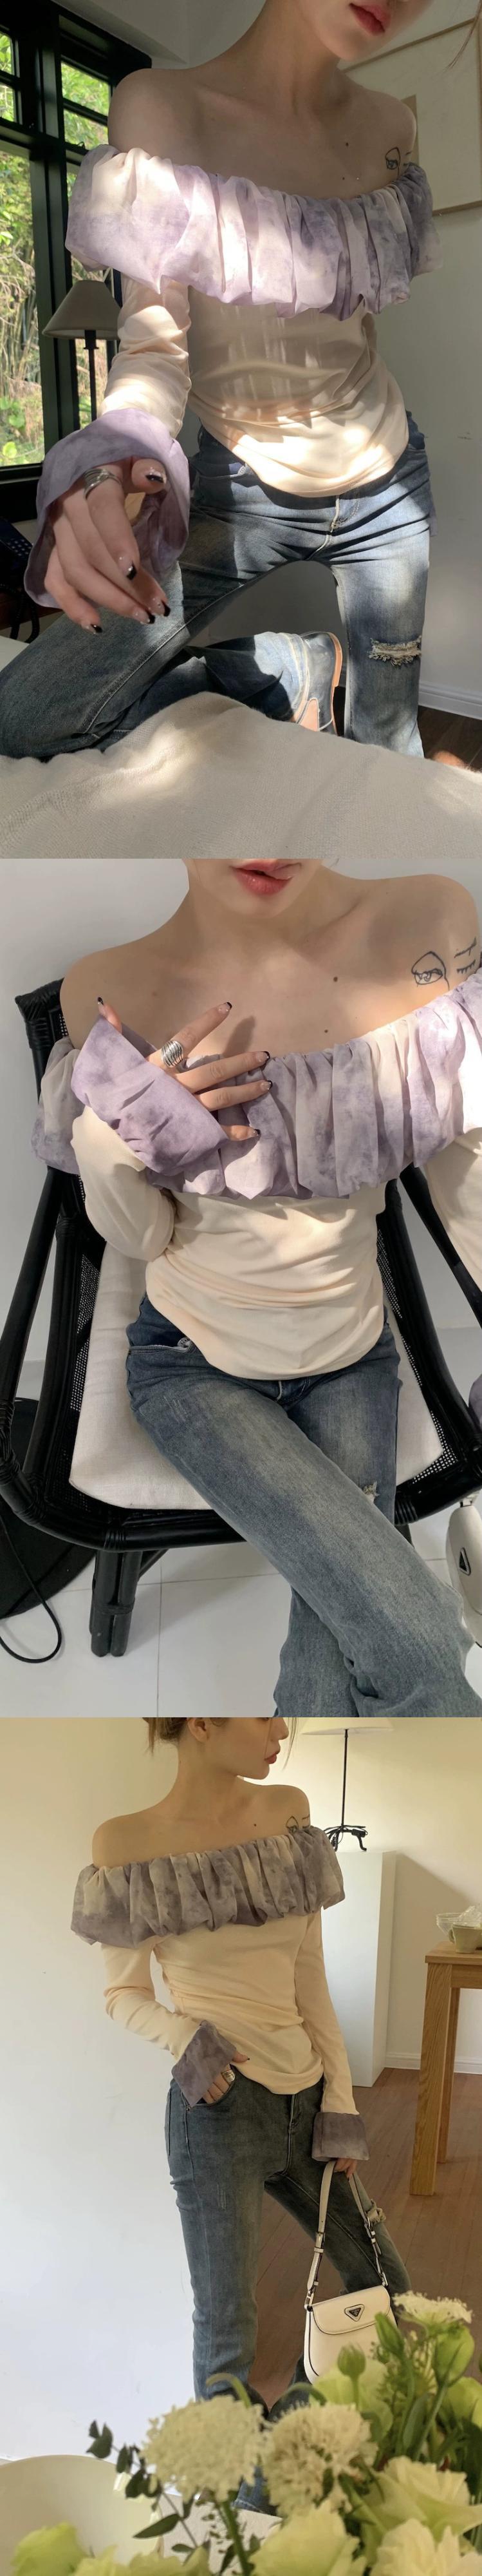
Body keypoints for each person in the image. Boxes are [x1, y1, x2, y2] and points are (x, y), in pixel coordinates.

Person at [34, 858, 482, 1717]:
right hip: (192, 1366)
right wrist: (113, 1142)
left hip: (352, 1358)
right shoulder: (110, 987)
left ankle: (298, 1790)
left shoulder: (425, 925)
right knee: (426, 1641)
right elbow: (141, 1238)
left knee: (352, 1628)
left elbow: (468, 1176)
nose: (264, 842)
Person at [2, 0, 456, 765]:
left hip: (387, 484)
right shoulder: (159, 107)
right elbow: (153, 344)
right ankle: (289, 670)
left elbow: (354, 322)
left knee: (388, 745)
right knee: (26, 716)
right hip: (240, 485)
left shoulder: (391, 130)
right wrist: (115, 452)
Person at [71, 1715, 411, 2509]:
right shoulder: (125, 1843)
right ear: (199, 1721)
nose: (281, 1727)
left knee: (382, 2283)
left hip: (305, 2098)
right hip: (219, 2114)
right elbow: (123, 1993)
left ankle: (286, 2449)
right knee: (226, 2334)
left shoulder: (288, 1812)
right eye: (262, 1712)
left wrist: (339, 2098)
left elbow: (308, 1972)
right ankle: (245, 2513)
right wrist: (189, 2039)